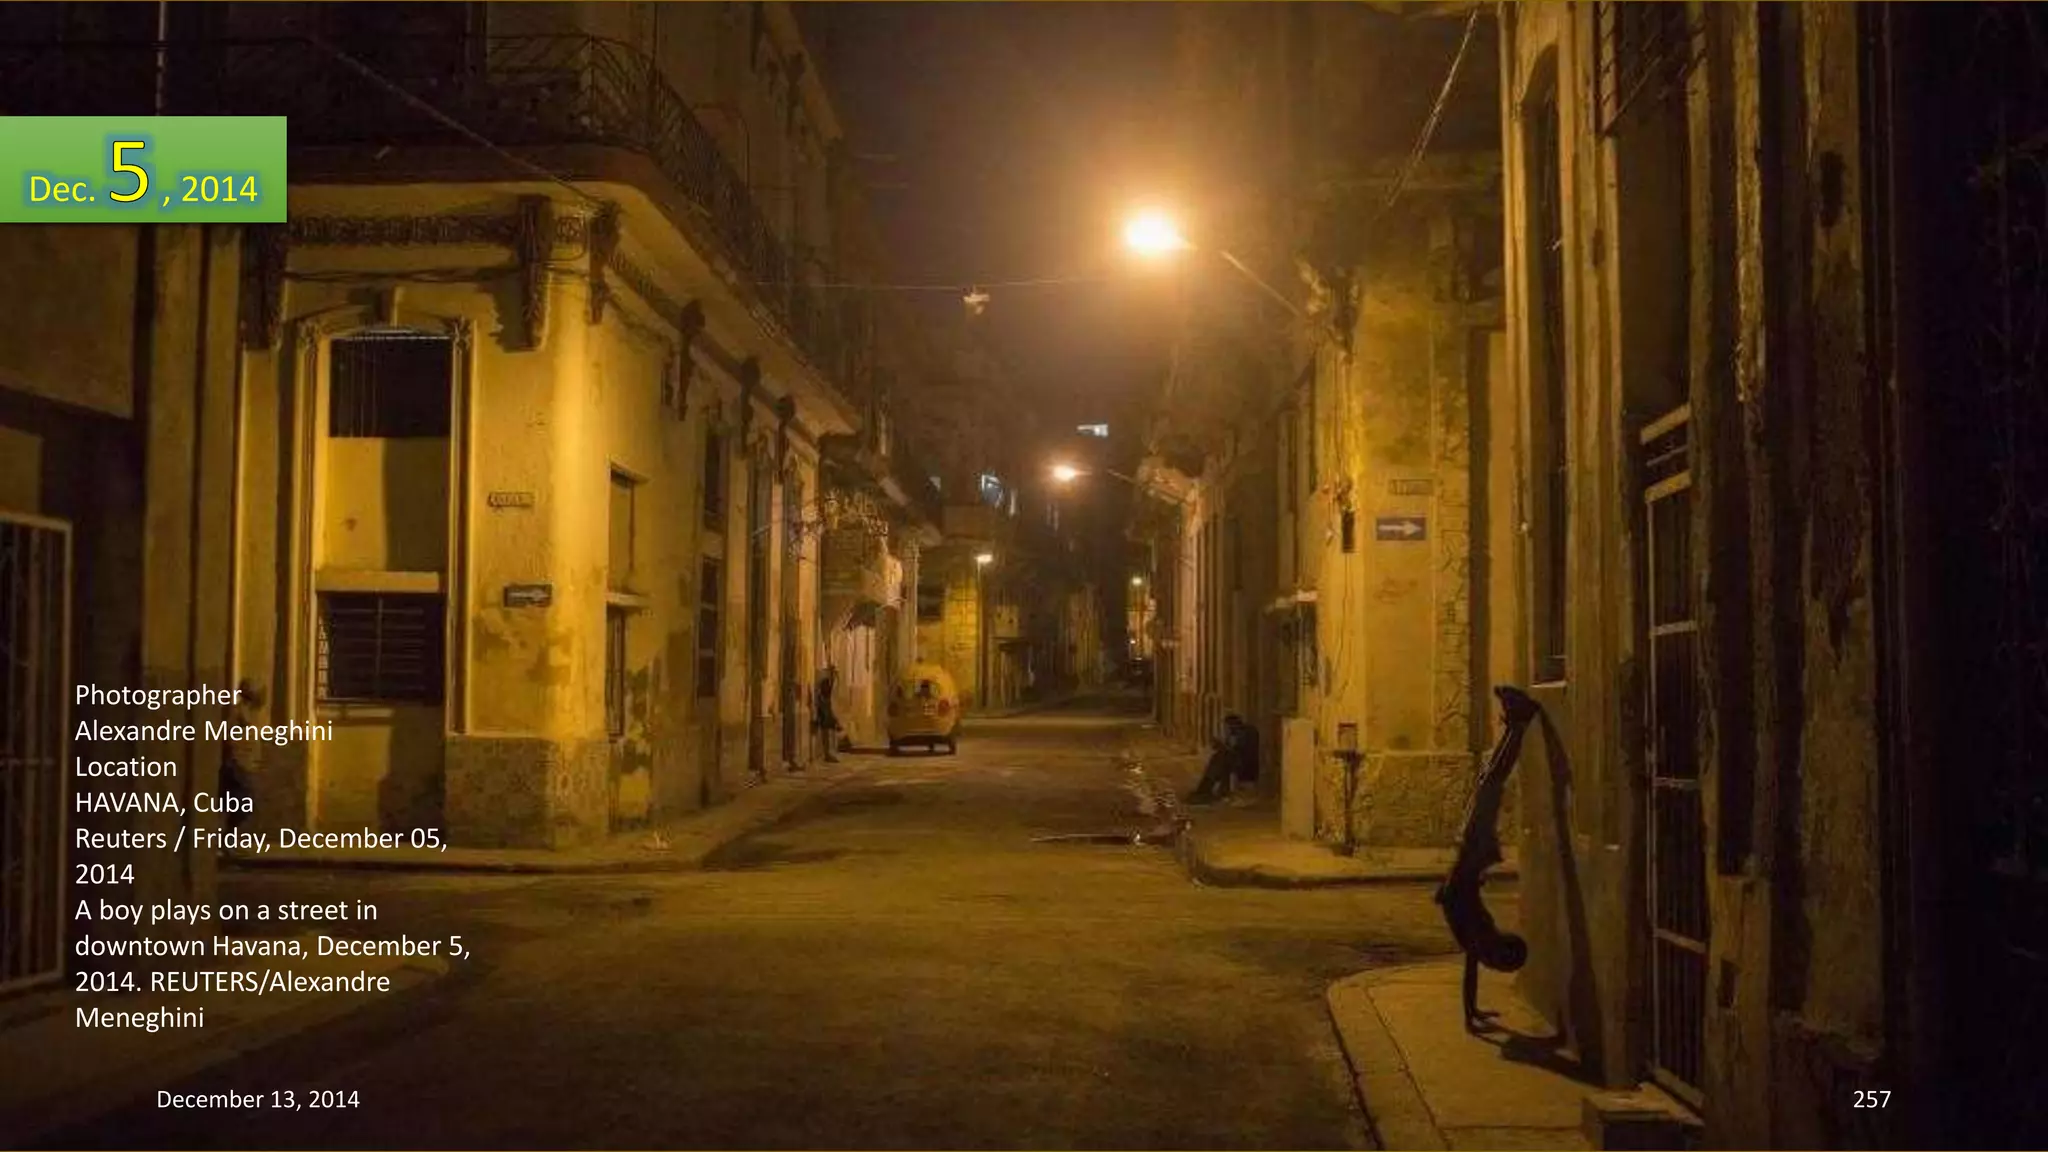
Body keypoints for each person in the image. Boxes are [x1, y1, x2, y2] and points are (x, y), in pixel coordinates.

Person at [1437, 685, 1540, 1031]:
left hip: (1469, 854)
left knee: (1489, 782)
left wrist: (1472, 1015)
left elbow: (1453, 897)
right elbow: (1469, 977)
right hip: (1468, 854)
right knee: (1489, 782)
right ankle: (1516, 723)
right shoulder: (1480, 940)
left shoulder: (1479, 941)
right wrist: (1472, 1014)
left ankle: (1517, 723)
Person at [1187, 714, 1255, 804]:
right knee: (1218, 759)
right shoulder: (1234, 734)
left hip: (1243, 764)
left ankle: (1205, 789)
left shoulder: (1242, 734)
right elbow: (1231, 750)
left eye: (1228, 725)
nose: (1227, 728)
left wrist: (1222, 747)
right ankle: (1209, 789)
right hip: (1233, 761)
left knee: (1219, 760)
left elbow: (1239, 752)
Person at [812, 664, 841, 764]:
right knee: (826, 734)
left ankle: (830, 753)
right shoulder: (826, 683)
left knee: (830, 733)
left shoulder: (831, 683)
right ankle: (827, 753)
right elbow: (823, 696)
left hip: (828, 710)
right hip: (825, 711)